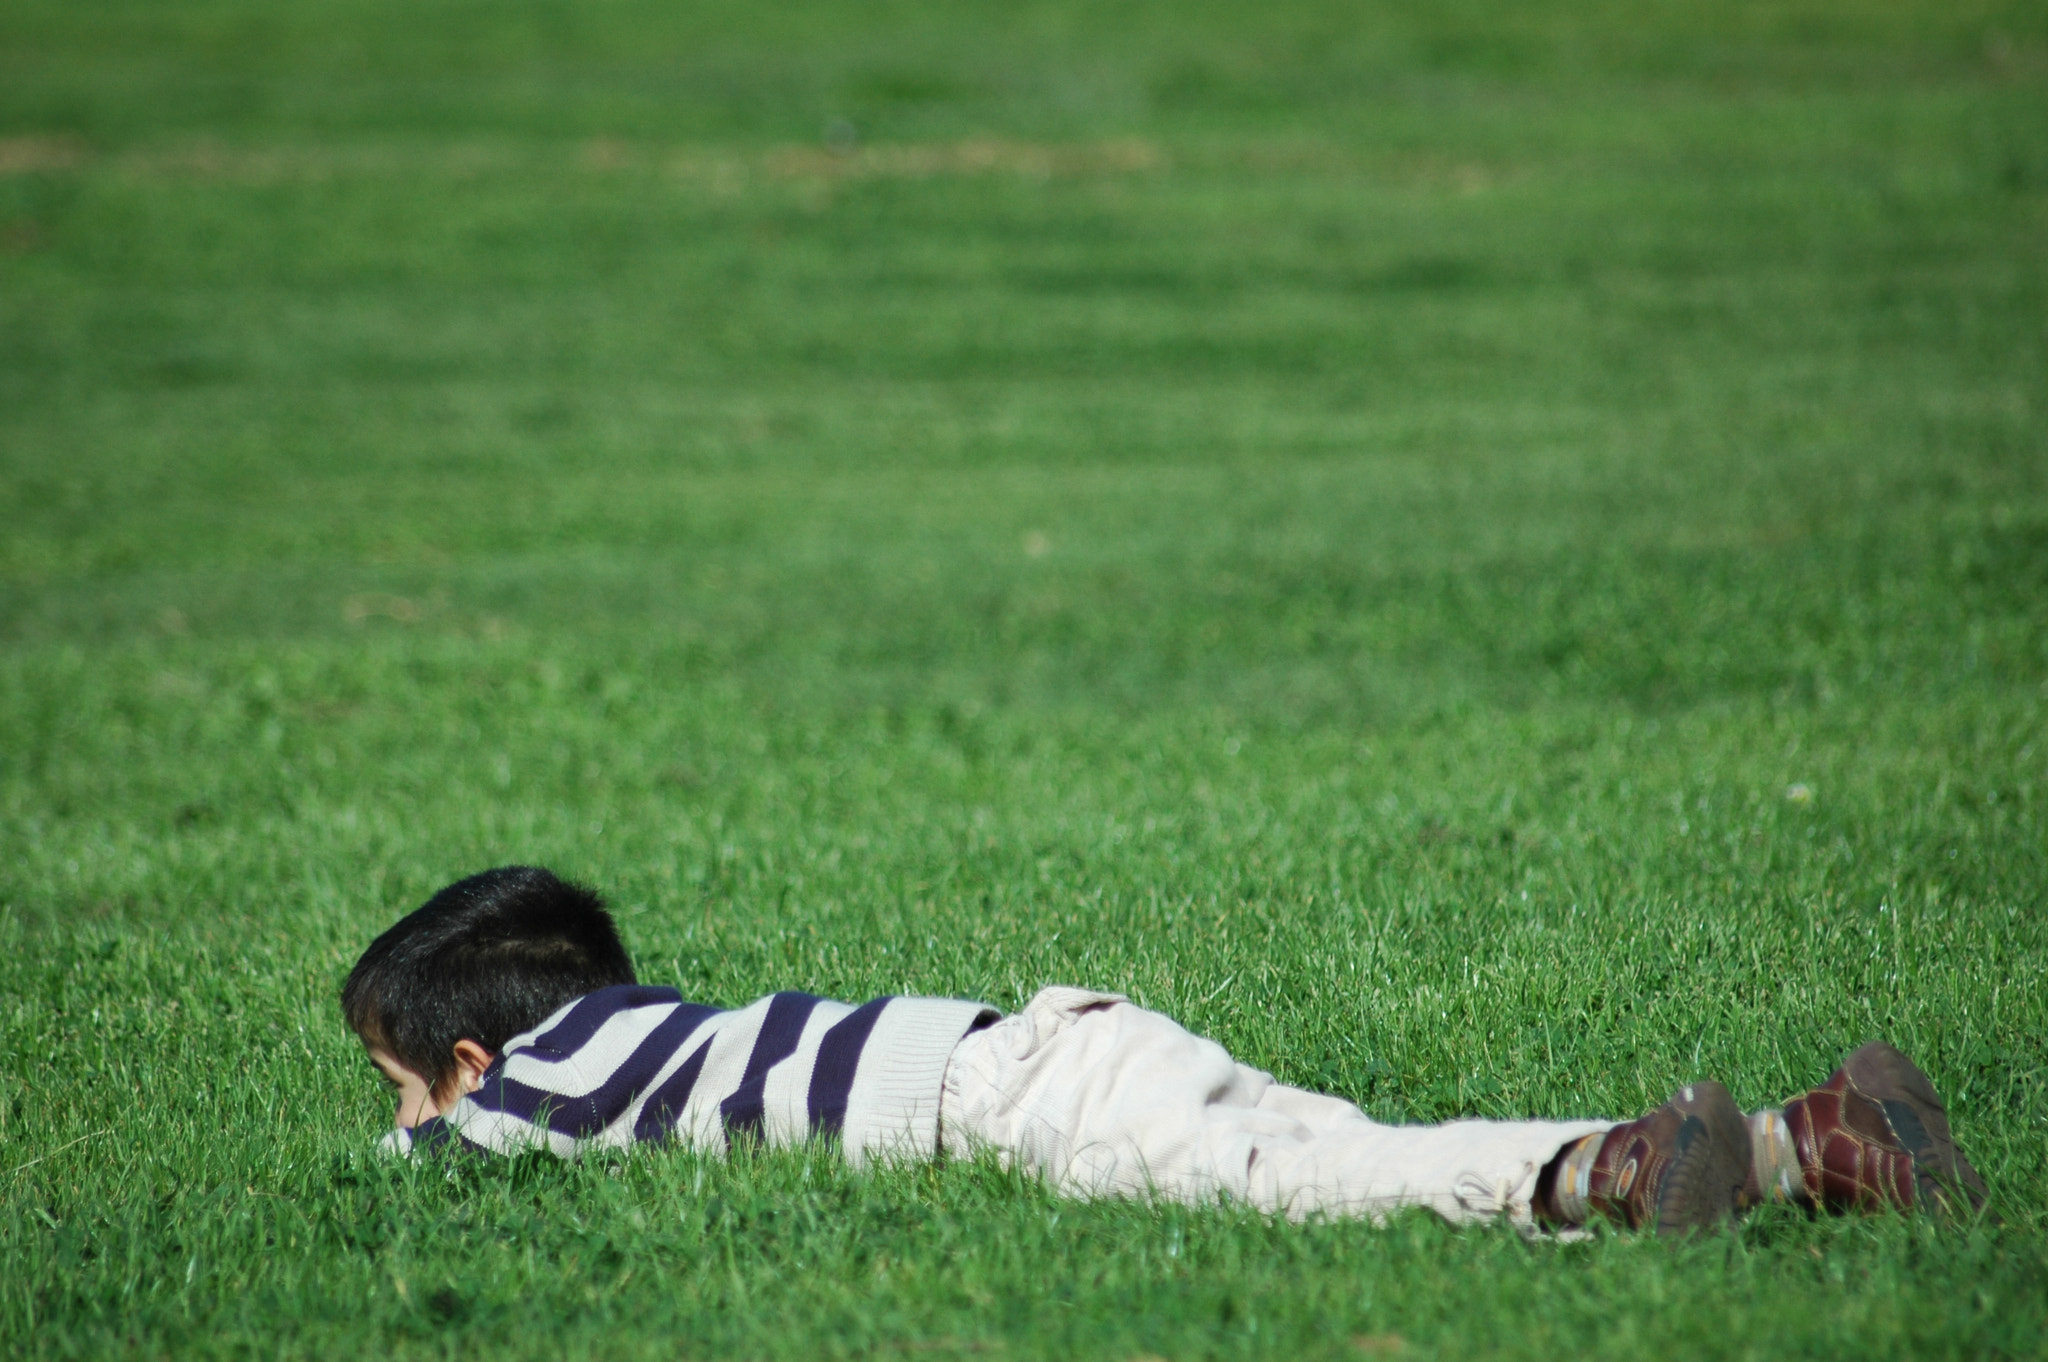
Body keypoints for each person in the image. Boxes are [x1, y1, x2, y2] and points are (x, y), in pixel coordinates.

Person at [342, 866, 1989, 1236]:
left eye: (406, 1077)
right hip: (1066, 1036)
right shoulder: (652, 1041)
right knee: (1363, 1160)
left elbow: (420, 1164)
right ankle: (1803, 1137)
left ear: (475, 1062)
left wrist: (411, 1131)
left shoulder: (543, 1089)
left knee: (1330, 1186)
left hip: (1025, 1105)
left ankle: (1617, 1171)